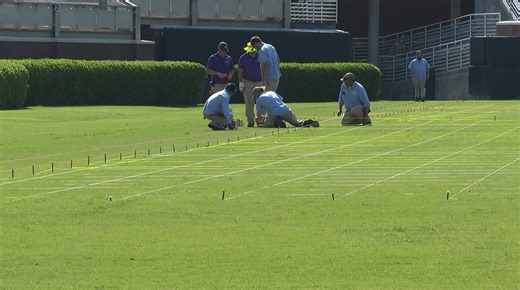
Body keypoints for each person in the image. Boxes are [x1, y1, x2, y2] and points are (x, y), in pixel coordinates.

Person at [252, 86, 319, 128]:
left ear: (257, 93)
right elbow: (280, 100)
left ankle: (277, 122)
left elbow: (259, 115)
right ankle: (308, 122)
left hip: (275, 113)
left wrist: (260, 120)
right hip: (286, 109)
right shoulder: (271, 92)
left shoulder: (259, 99)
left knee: (265, 126)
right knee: (298, 123)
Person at [238, 42, 263, 127]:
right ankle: (250, 120)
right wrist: (240, 82)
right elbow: (240, 71)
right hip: (248, 82)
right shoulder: (243, 57)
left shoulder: (261, 55)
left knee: (261, 101)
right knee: (249, 102)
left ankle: (260, 120)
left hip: (260, 81)